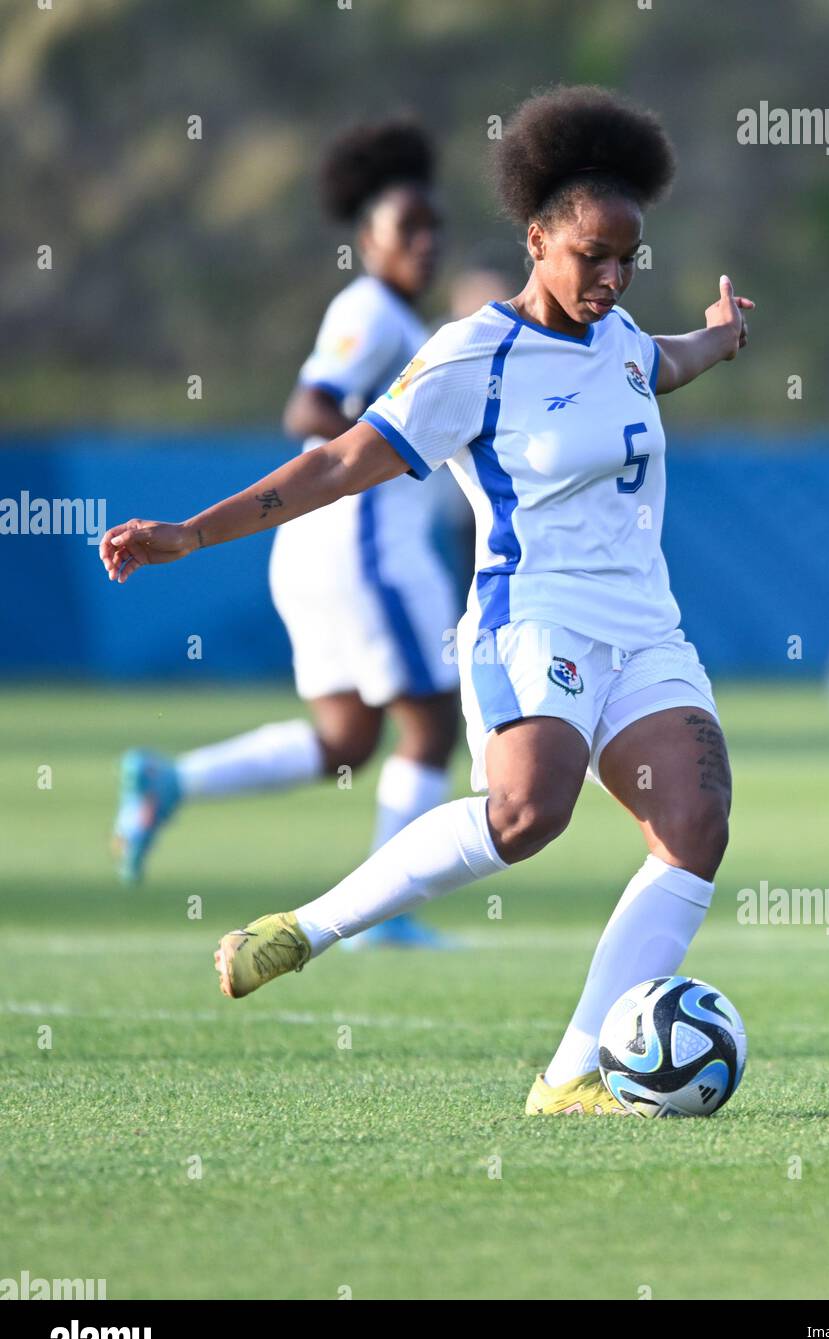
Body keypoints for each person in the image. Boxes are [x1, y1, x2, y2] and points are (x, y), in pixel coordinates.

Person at [100, 85, 754, 1115]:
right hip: (530, 618)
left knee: (696, 822)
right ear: (536, 237)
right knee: (526, 813)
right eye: (592, 254)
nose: (612, 276)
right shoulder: (469, 359)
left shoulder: (620, 335)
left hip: (646, 627)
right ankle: (305, 929)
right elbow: (333, 463)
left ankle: (571, 1075)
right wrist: (189, 531)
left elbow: (658, 363)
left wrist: (716, 336)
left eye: (629, 258)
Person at [111, 117, 461, 950]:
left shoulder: (401, 317)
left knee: (347, 741)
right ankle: (389, 912)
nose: (425, 241)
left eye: (433, 226)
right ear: (366, 237)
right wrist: (375, 451)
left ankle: (172, 780)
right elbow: (310, 404)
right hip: (364, 543)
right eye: (405, 227)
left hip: (319, 546)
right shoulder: (370, 308)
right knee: (434, 724)